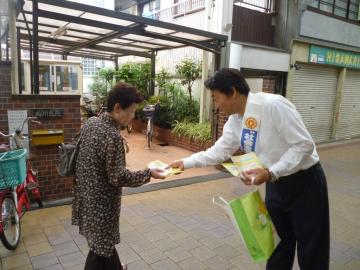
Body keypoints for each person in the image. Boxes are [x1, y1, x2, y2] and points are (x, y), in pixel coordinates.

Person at [168, 68, 329, 270]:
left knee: (312, 249)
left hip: (305, 183)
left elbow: (305, 145)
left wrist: (271, 172)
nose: (216, 106)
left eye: (216, 99)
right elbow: (219, 151)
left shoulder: (273, 105)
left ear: (232, 92)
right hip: (275, 185)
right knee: (277, 244)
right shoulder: (235, 122)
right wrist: (186, 162)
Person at [72, 82, 165, 270]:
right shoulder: (112, 135)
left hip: (86, 198)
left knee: (103, 248)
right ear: (117, 108)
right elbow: (118, 177)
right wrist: (149, 173)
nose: (132, 117)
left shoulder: (91, 123)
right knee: (99, 252)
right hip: (102, 207)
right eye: (130, 112)